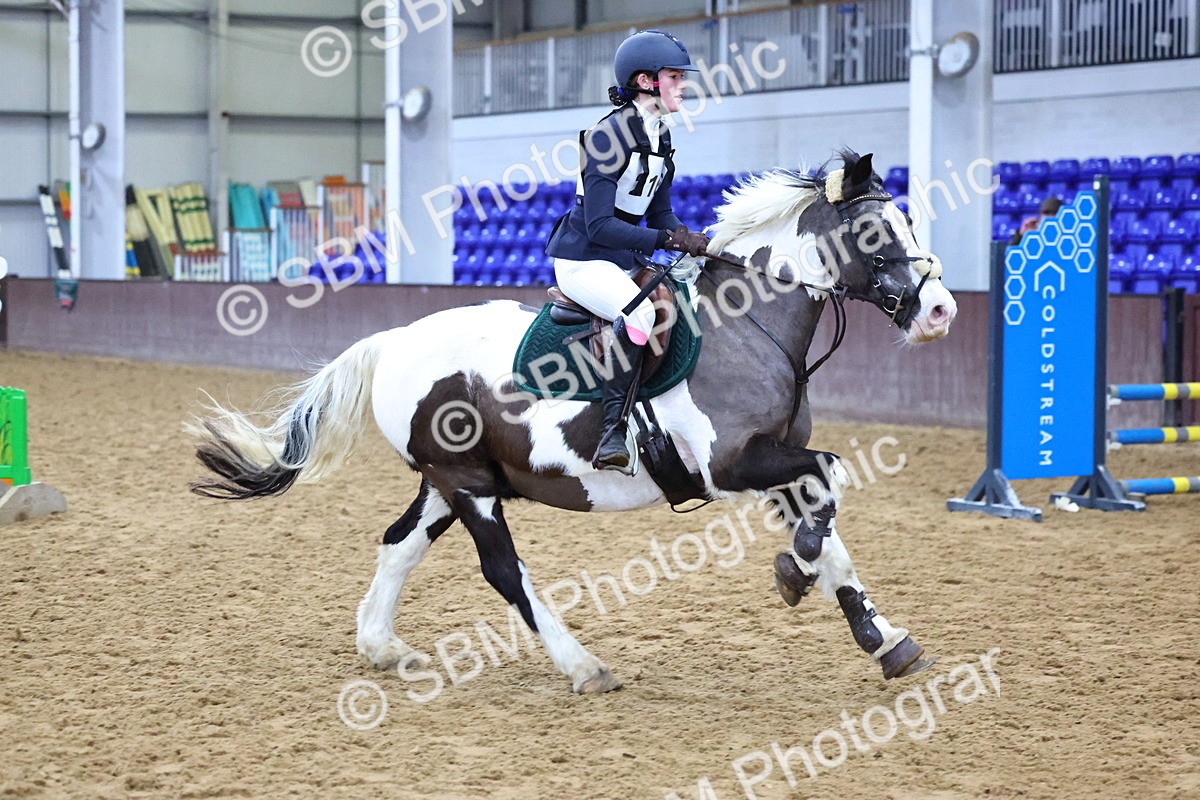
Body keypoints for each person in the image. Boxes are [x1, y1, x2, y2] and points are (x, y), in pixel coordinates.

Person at [545, 30, 710, 475]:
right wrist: (667, 241)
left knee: (686, 296)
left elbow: (660, 215)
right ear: (645, 81)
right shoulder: (607, 138)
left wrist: (697, 240)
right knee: (639, 314)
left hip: (621, 257)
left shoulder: (662, 138)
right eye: (674, 76)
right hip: (582, 258)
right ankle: (611, 432)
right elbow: (599, 225)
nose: (683, 85)